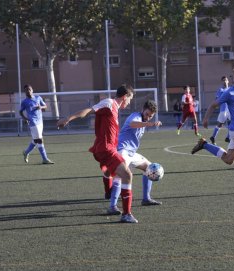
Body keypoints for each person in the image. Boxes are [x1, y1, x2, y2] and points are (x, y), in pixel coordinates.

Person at [57, 84, 139, 223]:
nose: (129, 102)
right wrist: (68, 118)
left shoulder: (114, 108)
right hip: (106, 149)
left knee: (116, 170)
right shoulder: (109, 103)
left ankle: (109, 194)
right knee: (127, 174)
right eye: (129, 99)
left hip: (107, 148)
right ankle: (126, 214)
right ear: (125, 97)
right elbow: (89, 110)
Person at [107, 100, 163, 215]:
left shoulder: (144, 120)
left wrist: (148, 123)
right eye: (147, 114)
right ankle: (112, 206)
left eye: (150, 116)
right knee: (119, 175)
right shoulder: (135, 116)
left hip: (132, 154)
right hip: (122, 151)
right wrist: (150, 124)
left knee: (149, 167)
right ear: (143, 109)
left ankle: (146, 199)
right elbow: (133, 124)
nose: (148, 117)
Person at [19, 84, 54, 165]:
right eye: (26, 90)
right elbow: (20, 112)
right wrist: (25, 118)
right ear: (25, 92)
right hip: (33, 122)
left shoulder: (38, 98)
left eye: (29, 89)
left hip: (40, 121)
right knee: (40, 140)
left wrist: (40, 107)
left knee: (36, 140)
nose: (28, 91)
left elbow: (45, 106)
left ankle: (26, 152)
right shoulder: (24, 102)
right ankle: (44, 159)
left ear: (32, 90)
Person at [210, 76, 231, 145]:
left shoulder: (231, 89)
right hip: (223, 109)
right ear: (222, 82)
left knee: (233, 123)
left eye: (226, 80)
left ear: (228, 81)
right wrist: (215, 105)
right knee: (220, 124)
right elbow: (217, 99)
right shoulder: (221, 90)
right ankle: (213, 137)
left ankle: (228, 137)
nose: (225, 81)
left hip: (230, 110)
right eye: (223, 80)